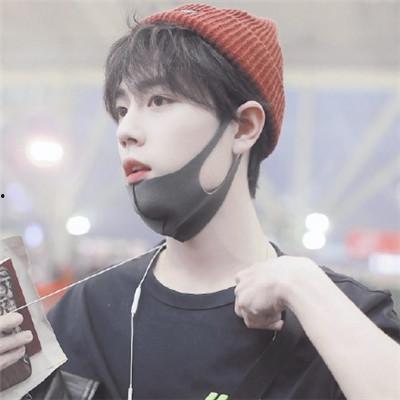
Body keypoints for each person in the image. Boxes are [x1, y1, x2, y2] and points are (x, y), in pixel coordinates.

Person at [1, 3, 400, 399]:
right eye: (122, 109)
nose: (126, 130)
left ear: (244, 127)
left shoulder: (340, 315)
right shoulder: (88, 311)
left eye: (159, 100)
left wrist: (303, 285)